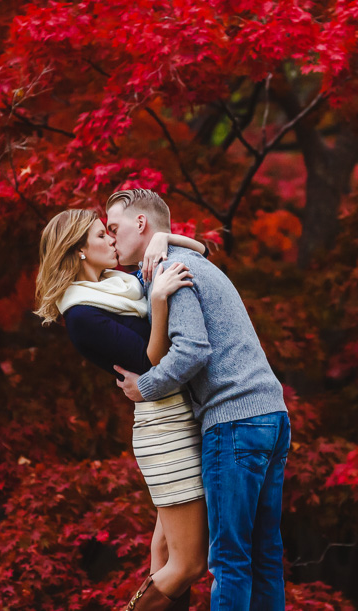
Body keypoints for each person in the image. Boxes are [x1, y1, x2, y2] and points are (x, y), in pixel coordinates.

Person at [107, 189, 290, 611]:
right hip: (271, 416)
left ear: (140, 224)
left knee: (228, 559)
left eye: (114, 228)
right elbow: (197, 246)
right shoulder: (182, 261)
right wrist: (168, 239)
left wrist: (146, 387)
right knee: (263, 557)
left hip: (234, 422)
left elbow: (192, 350)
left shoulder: (171, 270)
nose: (111, 239)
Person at [34, 209, 209, 611]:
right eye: (102, 235)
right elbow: (152, 363)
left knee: (165, 559)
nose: (113, 240)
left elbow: (200, 249)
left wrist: (163, 239)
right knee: (190, 564)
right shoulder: (81, 315)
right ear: (79, 250)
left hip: (180, 413)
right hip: (165, 428)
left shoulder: (121, 284)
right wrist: (161, 299)